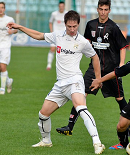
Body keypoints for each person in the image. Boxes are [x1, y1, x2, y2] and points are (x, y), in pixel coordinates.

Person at [7, 10, 105, 154]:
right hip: (60, 84)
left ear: (78, 24)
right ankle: (46, 141)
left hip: (75, 81)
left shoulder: (83, 42)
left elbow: (95, 57)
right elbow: (39, 35)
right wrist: (20, 27)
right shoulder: (57, 35)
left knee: (80, 107)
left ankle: (97, 143)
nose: (72, 29)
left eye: (75, 26)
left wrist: (98, 79)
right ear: (64, 24)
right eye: (69, 26)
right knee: (43, 114)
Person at [56, 0, 130, 137]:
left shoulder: (113, 27)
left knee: (119, 98)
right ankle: (69, 127)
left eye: (105, 9)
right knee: (81, 94)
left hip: (111, 69)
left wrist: (121, 64)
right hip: (94, 68)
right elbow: (86, 43)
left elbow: (122, 46)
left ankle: (128, 126)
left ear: (109, 10)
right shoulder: (90, 25)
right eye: (101, 9)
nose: (103, 12)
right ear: (97, 9)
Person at [0, 2, 17, 95]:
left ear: (4, 9)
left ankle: (2, 89)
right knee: (1, 68)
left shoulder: (9, 19)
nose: (0, 9)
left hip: (5, 46)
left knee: (3, 66)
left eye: (2, 7)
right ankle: (8, 81)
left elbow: (16, 30)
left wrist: (12, 31)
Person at [46, 1, 67, 70]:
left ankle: (62, 66)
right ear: (58, 7)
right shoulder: (54, 14)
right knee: (52, 49)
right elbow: (50, 22)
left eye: (62, 6)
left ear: (64, 7)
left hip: (63, 35)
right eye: (60, 6)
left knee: (63, 50)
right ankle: (49, 64)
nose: (61, 8)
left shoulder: (67, 14)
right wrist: (51, 31)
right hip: (55, 34)